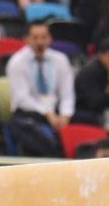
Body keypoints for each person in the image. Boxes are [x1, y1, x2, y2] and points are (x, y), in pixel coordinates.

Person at [5, 23, 75, 152]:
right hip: (30, 112)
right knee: (24, 128)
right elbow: (22, 98)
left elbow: (67, 94)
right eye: (35, 38)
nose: (40, 42)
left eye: (44, 37)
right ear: (26, 39)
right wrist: (47, 113)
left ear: (50, 38)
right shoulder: (16, 62)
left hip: (56, 111)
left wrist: (65, 115)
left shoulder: (60, 60)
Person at [73, 35, 109, 128]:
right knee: (105, 120)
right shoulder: (89, 72)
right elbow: (95, 104)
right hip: (85, 111)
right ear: (101, 56)